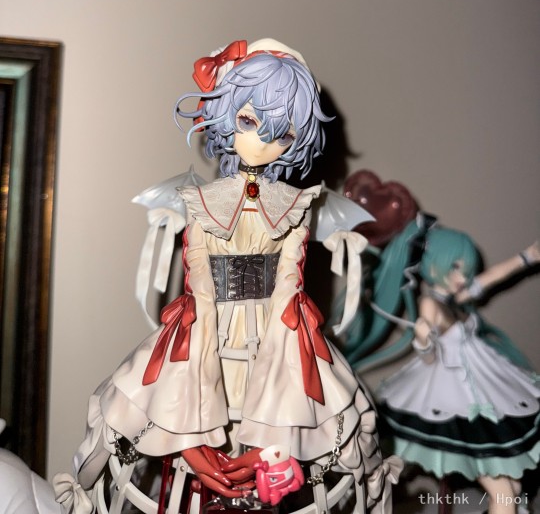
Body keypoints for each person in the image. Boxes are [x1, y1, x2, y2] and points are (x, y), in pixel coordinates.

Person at [58, 40, 399, 514]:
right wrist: (188, 429)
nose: (263, 141)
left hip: (278, 340)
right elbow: (199, 296)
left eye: (284, 133)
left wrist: (276, 434)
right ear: (224, 116)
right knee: (135, 421)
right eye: (249, 121)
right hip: (205, 335)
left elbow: (288, 300)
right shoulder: (201, 203)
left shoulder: (296, 208)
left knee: (331, 431)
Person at [347, 214, 540, 514]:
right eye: (455, 267)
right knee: (504, 492)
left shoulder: (456, 298)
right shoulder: (430, 304)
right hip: (455, 397)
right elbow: (428, 355)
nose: (463, 276)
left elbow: (491, 277)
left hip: (483, 383)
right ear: (434, 264)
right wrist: (423, 338)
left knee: (513, 488)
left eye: (465, 268)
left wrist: (528, 256)